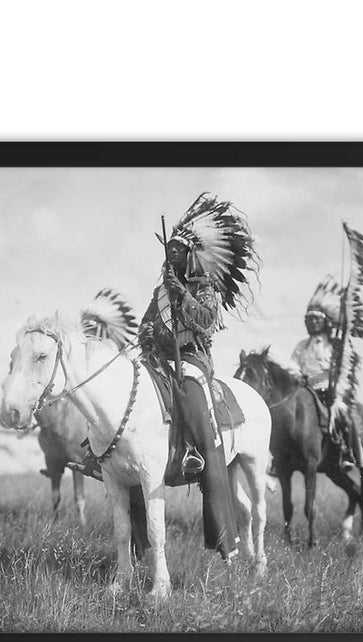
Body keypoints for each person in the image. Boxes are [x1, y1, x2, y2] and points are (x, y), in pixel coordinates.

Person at [139, 193, 259, 560]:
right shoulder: (161, 291)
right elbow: (146, 324)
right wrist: (147, 338)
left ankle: (198, 454)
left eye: (178, 250)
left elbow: (206, 322)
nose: (172, 255)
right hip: (159, 359)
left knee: (191, 397)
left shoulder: (203, 287)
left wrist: (184, 296)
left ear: (190, 254)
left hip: (192, 360)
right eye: (169, 250)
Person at [289, 279, 356, 469]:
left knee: (341, 414)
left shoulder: (335, 346)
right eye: (309, 320)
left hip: (330, 391)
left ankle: (346, 452)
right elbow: (293, 365)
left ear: (325, 322)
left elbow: (345, 370)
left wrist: (336, 388)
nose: (312, 323)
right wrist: (298, 376)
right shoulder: (302, 346)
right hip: (305, 390)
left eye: (316, 319)